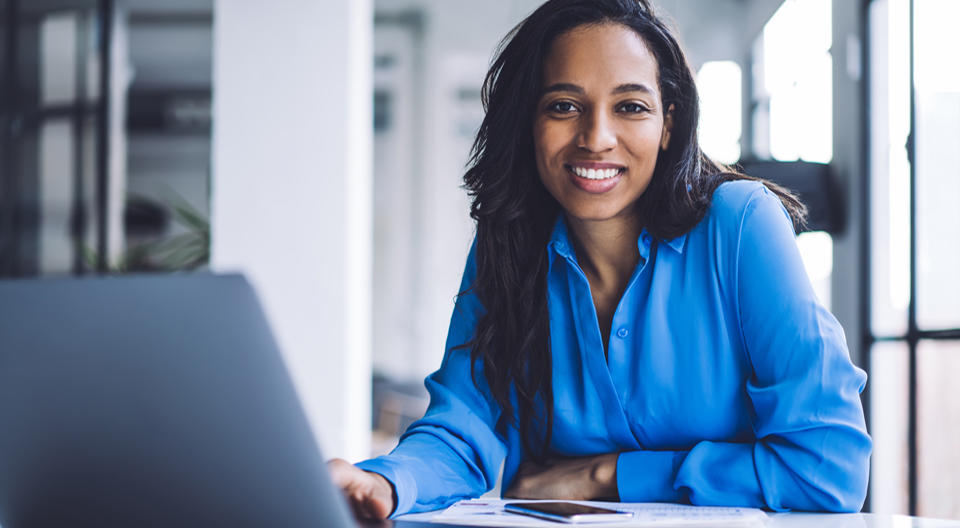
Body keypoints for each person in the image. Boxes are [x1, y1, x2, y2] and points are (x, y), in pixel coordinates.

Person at [328, 0, 871, 520]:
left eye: (630, 107)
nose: (596, 138)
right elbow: (462, 431)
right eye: (564, 106)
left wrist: (608, 476)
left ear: (668, 123)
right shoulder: (509, 241)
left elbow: (830, 468)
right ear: (529, 122)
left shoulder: (742, 223)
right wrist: (385, 482)